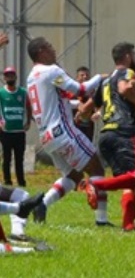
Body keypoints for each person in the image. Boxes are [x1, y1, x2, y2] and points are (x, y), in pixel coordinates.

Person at [25, 36, 107, 224]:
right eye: (50, 47)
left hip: (46, 137)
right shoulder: (51, 71)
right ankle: (102, 220)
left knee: (74, 176)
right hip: (63, 132)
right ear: (41, 52)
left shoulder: (31, 77)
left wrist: (78, 105)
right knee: (96, 167)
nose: (54, 51)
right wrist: (100, 78)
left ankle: (42, 204)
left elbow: (55, 103)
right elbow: (81, 88)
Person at [79, 42, 135, 232]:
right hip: (124, 132)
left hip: (106, 135)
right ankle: (94, 184)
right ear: (127, 56)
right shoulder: (127, 73)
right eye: (134, 54)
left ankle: (128, 225)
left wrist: (87, 114)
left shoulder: (104, 81)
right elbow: (124, 90)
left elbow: (84, 110)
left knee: (128, 182)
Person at [0, 66, 33, 188]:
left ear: (15, 77)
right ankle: (7, 181)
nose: (9, 77)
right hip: (5, 131)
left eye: (11, 75)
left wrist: (28, 122)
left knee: (19, 159)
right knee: (6, 157)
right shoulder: (1, 93)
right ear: (4, 78)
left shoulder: (23, 93)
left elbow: (29, 107)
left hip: (19, 131)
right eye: (7, 75)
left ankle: (21, 181)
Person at [72, 66, 96, 142]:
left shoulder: (93, 93)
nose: (85, 77)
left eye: (87, 75)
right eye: (82, 75)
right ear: (77, 78)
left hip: (88, 129)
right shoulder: (72, 92)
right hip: (74, 129)